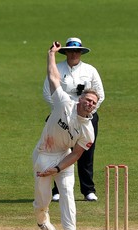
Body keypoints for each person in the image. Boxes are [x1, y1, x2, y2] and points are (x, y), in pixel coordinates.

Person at [33, 41, 100, 230]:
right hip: (43, 154)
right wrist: (51, 54)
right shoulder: (63, 102)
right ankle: (42, 221)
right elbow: (54, 78)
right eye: (87, 100)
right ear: (80, 100)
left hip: (64, 156)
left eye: (93, 103)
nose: (90, 104)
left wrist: (59, 167)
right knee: (43, 201)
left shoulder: (88, 130)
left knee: (67, 192)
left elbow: (78, 153)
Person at [42, 37, 105, 202]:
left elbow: (100, 95)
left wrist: (85, 112)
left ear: (81, 52)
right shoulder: (58, 68)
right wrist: (63, 109)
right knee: (60, 150)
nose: (74, 54)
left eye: (77, 51)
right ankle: (57, 190)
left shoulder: (90, 70)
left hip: (85, 117)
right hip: (60, 116)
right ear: (66, 52)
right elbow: (48, 92)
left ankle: (88, 190)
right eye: (71, 50)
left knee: (85, 152)